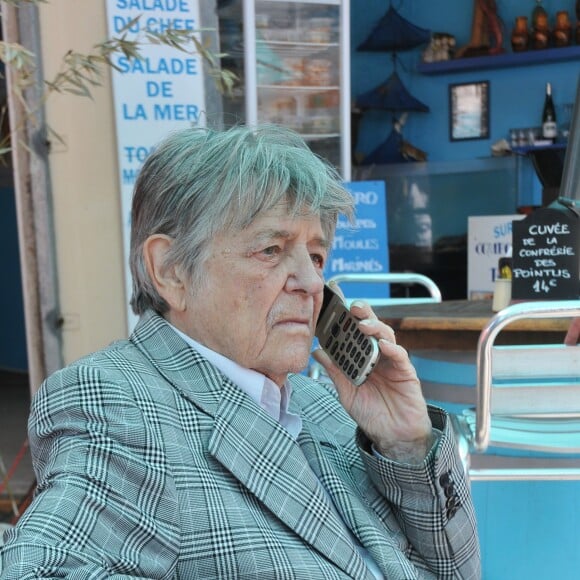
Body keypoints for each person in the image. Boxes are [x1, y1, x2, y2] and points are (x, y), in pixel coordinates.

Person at [0, 124, 480, 579]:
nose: (314, 282)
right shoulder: (118, 403)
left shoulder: (326, 404)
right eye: (271, 249)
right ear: (170, 270)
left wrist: (406, 447)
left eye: (316, 255)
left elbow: (459, 570)